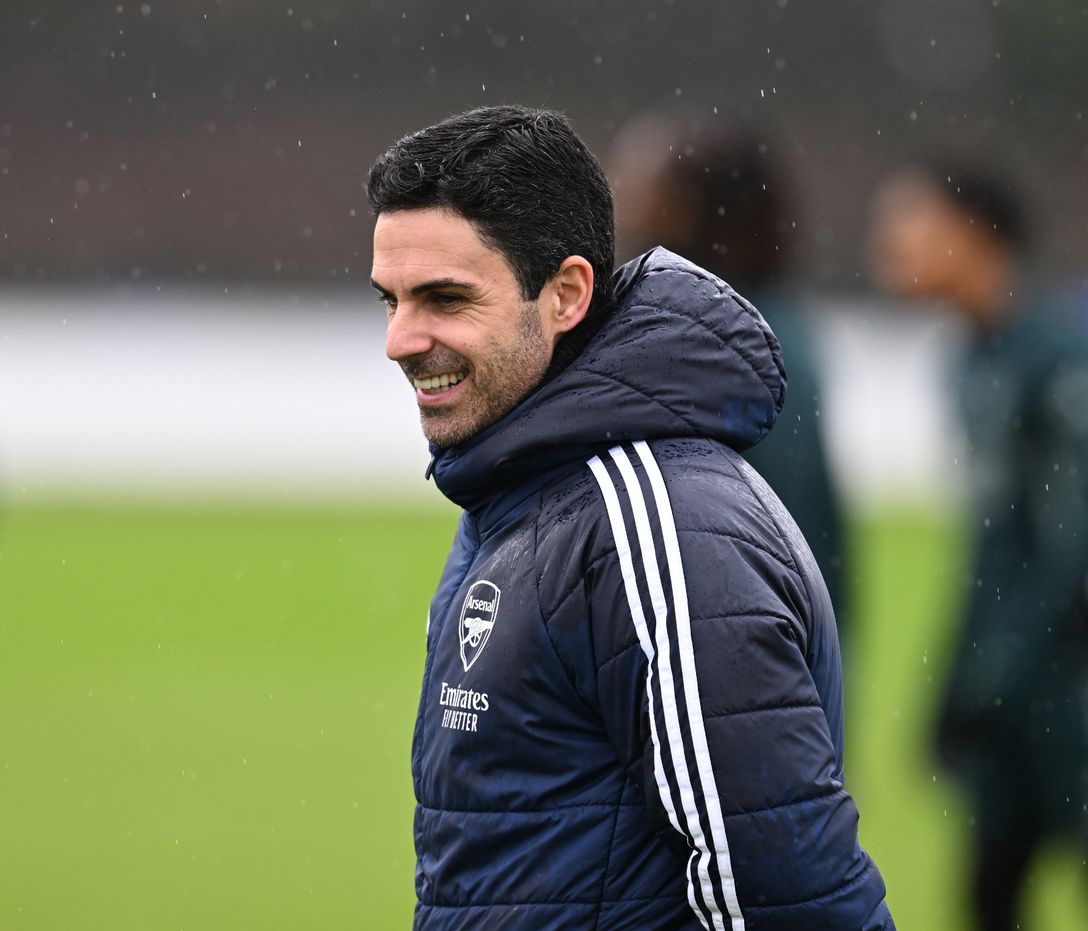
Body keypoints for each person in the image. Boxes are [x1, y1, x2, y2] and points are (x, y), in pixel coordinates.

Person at [367, 105, 892, 930]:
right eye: (391, 299)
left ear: (568, 293)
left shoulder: (653, 522)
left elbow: (796, 896)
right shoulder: (526, 487)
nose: (401, 338)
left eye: (444, 297)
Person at [868, 161, 1088, 931]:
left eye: (911, 221)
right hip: (1012, 710)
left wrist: (1002, 668)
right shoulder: (969, 362)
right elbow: (990, 550)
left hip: (1069, 696)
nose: (887, 241)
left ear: (974, 233)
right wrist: (959, 689)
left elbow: (1070, 550)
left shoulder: (1063, 355)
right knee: (990, 896)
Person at [608, 114, 848, 632]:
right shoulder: (706, 321)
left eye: (646, 182)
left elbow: (793, 516)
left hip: (743, 631)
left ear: (695, 205)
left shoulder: (751, 338)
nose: (623, 195)